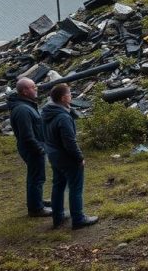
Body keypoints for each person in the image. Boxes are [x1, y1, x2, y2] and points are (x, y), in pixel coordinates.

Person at [42, 83, 98, 230]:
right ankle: (78, 218)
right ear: (63, 97)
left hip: (54, 156)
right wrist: (79, 158)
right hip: (67, 158)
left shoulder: (47, 112)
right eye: (69, 94)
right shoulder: (63, 117)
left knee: (58, 186)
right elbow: (69, 142)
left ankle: (58, 216)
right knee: (75, 188)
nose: (71, 96)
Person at [8, 78, 51, 217]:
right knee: (36, 178)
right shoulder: (22, 109)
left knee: (37, 176)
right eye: (33, 87)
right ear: (25, 91)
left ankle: (37, 201)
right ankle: (36, 209)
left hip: (34, 147)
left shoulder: (27, 105)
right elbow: (27, 135)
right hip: (32, 148)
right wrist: (39, 149)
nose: (36, 89)